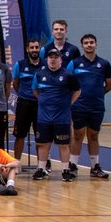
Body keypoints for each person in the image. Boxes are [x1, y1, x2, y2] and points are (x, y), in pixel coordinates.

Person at [67, 33, 111, 178]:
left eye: (91, 42)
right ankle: (72, 165)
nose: (89, 45)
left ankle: (95, 167)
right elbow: (67, 82)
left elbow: (109, 85)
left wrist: (97, 94)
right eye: (86, 43)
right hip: (79, 106)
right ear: (82, 45)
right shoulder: (75, 63)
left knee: (94, 136)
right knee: (78, 136)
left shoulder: (104, 64)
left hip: (96, 107)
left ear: (96, 44)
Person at [33, 50, 81, 182]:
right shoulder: (39, 74)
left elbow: (78, 91)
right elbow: (35, 90)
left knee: (63, 144)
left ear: (60, 59)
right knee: (43, 144)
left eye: (55, 57)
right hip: (44, 117)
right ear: (47, 59)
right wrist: (43, 102)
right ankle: (41, 169)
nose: (52, 60)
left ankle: (65, 170)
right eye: (50, 57)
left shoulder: (68, 75)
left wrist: (69, 102)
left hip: (61, 117)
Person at [11, 37, 42, 163]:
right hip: (23, 104)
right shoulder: (20, 64)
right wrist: (24, 95)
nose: (34, 50)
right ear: (27, 49)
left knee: (40, 136)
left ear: (40, 49)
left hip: (39, 105)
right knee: (20, 135)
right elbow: (16, 83)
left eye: (36, 47)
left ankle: (42, 164)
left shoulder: (45, 65)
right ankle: (16, 163)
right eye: (32, 47)